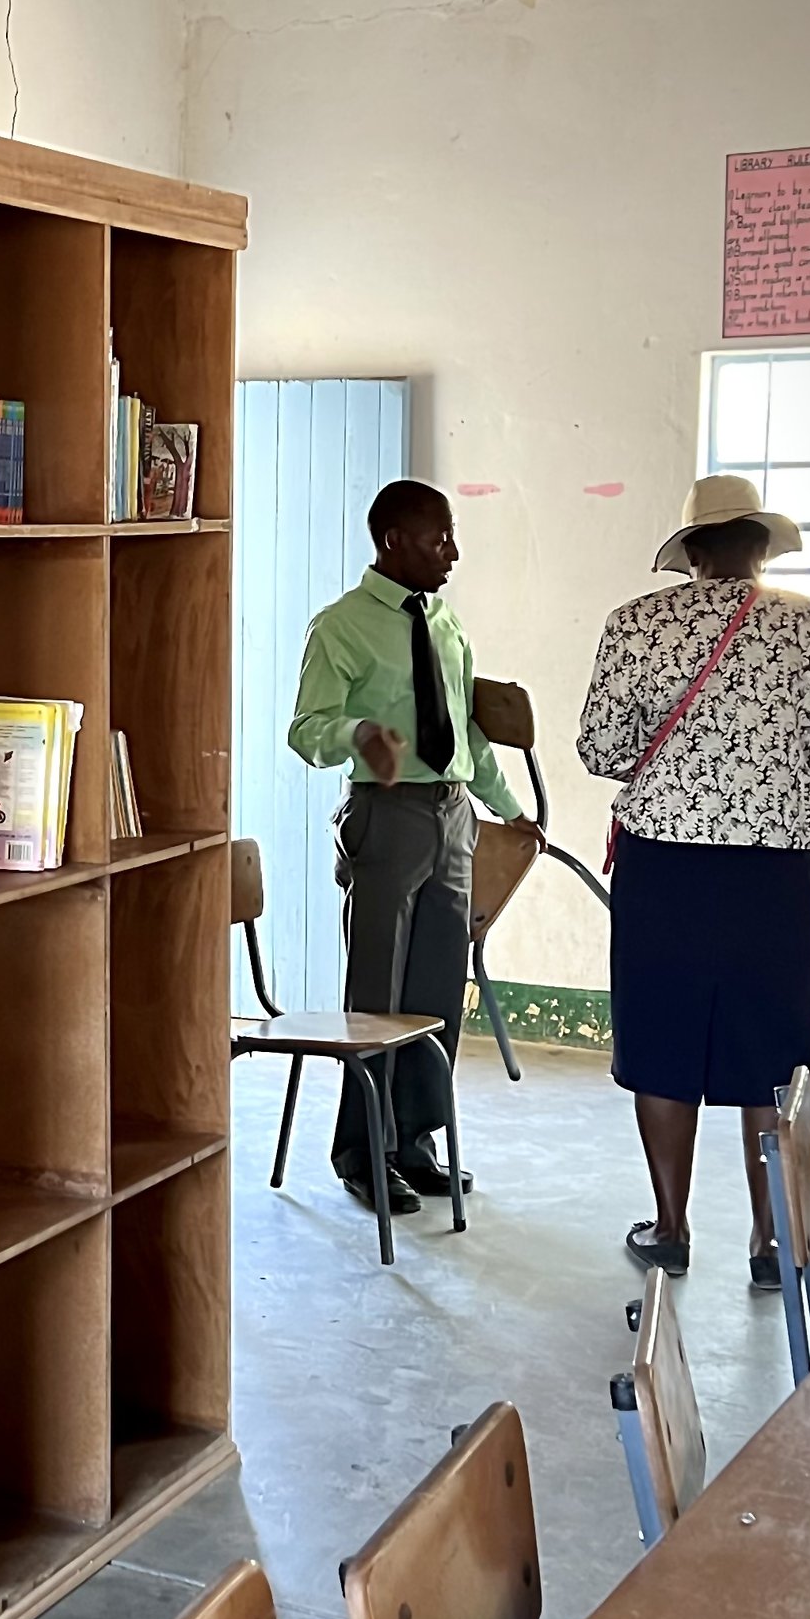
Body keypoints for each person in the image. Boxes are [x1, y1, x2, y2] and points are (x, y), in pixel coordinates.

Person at [578, 474, 810, 1287]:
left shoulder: (636, 623)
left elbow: (602, 750)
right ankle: (771, 1240)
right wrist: (777, 773)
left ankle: (670, 1228)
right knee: (772, 1051)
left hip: (664, 866)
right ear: (762, 547)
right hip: (778, 873)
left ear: (692, 553)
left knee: (661, 1040)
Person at [289, 480, 530, 1215]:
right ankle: (364, 1152)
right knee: (377, 995)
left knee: (435, 993)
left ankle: (416, 1142)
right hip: (386, 817)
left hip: (453, 816)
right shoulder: (341, 627)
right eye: (439, 538)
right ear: (394, 540)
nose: (452, 553)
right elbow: (306, 729)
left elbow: (466, 733)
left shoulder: (447, 622)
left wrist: (509, 809)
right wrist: (357, 733)